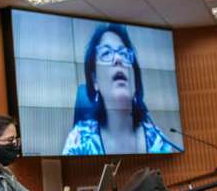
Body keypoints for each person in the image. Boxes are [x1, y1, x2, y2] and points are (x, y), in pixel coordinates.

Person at [62, 23, 179, 155]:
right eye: (106, 53)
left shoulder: (157, 139)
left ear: (134, 79)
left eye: (124, 54)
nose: (118, 59)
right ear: (95, 81)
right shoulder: (79, 140)